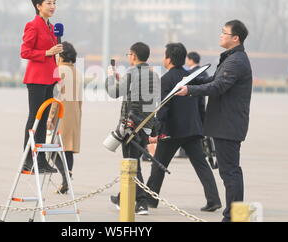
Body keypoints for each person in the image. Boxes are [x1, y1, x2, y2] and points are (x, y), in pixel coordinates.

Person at [177, 20, 253, 222]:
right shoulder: (230, 58)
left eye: (224, 32)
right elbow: (213, 80)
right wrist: (191, 79)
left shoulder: (237, 61)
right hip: (224, 124)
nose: (221, 35)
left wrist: (189, 90)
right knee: (229, 172)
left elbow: (218, 87)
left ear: (235, 38)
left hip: (228, 125)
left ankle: (233, 217)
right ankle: (234, 215)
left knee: (230, 172)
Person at [144, 43, 222, 212]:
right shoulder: (191, 77)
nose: (164, 59)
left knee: (158, 166)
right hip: (193, 130)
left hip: (172, 131)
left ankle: (151, 199)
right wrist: (202, 127)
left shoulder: (166, 80)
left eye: (165, 56)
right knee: (202, 166)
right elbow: (201, 103)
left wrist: (155, 132)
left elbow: (163, 108)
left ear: (169, 59)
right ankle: (214, 200)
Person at [105, 42, 160, 215]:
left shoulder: (132, 73)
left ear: (134, 56)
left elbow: (113, 92)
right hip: (146, 127)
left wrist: (110, 77)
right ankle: (123, 198)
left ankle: (142, 202)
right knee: (133, 161)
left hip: (130, 127)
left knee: (131, 164)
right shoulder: (154, 76)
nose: (129, 56)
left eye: (129, 54)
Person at [20, 0, 63, 173]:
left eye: (54, 2)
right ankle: (27, 159)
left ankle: (42, 160)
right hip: (36, 78)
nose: (52, 6)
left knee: (45, 118)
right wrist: (46, 52)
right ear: (38, 6)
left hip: (49, 78)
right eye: (49, 3)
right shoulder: (33, 25)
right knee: (34, 117)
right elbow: (25, 52)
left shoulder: (52, 27)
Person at [47, 41, 83, 194]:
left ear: (61, 55)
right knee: (67, 149)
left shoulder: (59, 70)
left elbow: (56, 96)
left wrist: (50, 117)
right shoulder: (77, 72)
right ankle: (66, 181)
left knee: (51, 149)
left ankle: (65, 176)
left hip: (61, 114)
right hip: (74, 113)